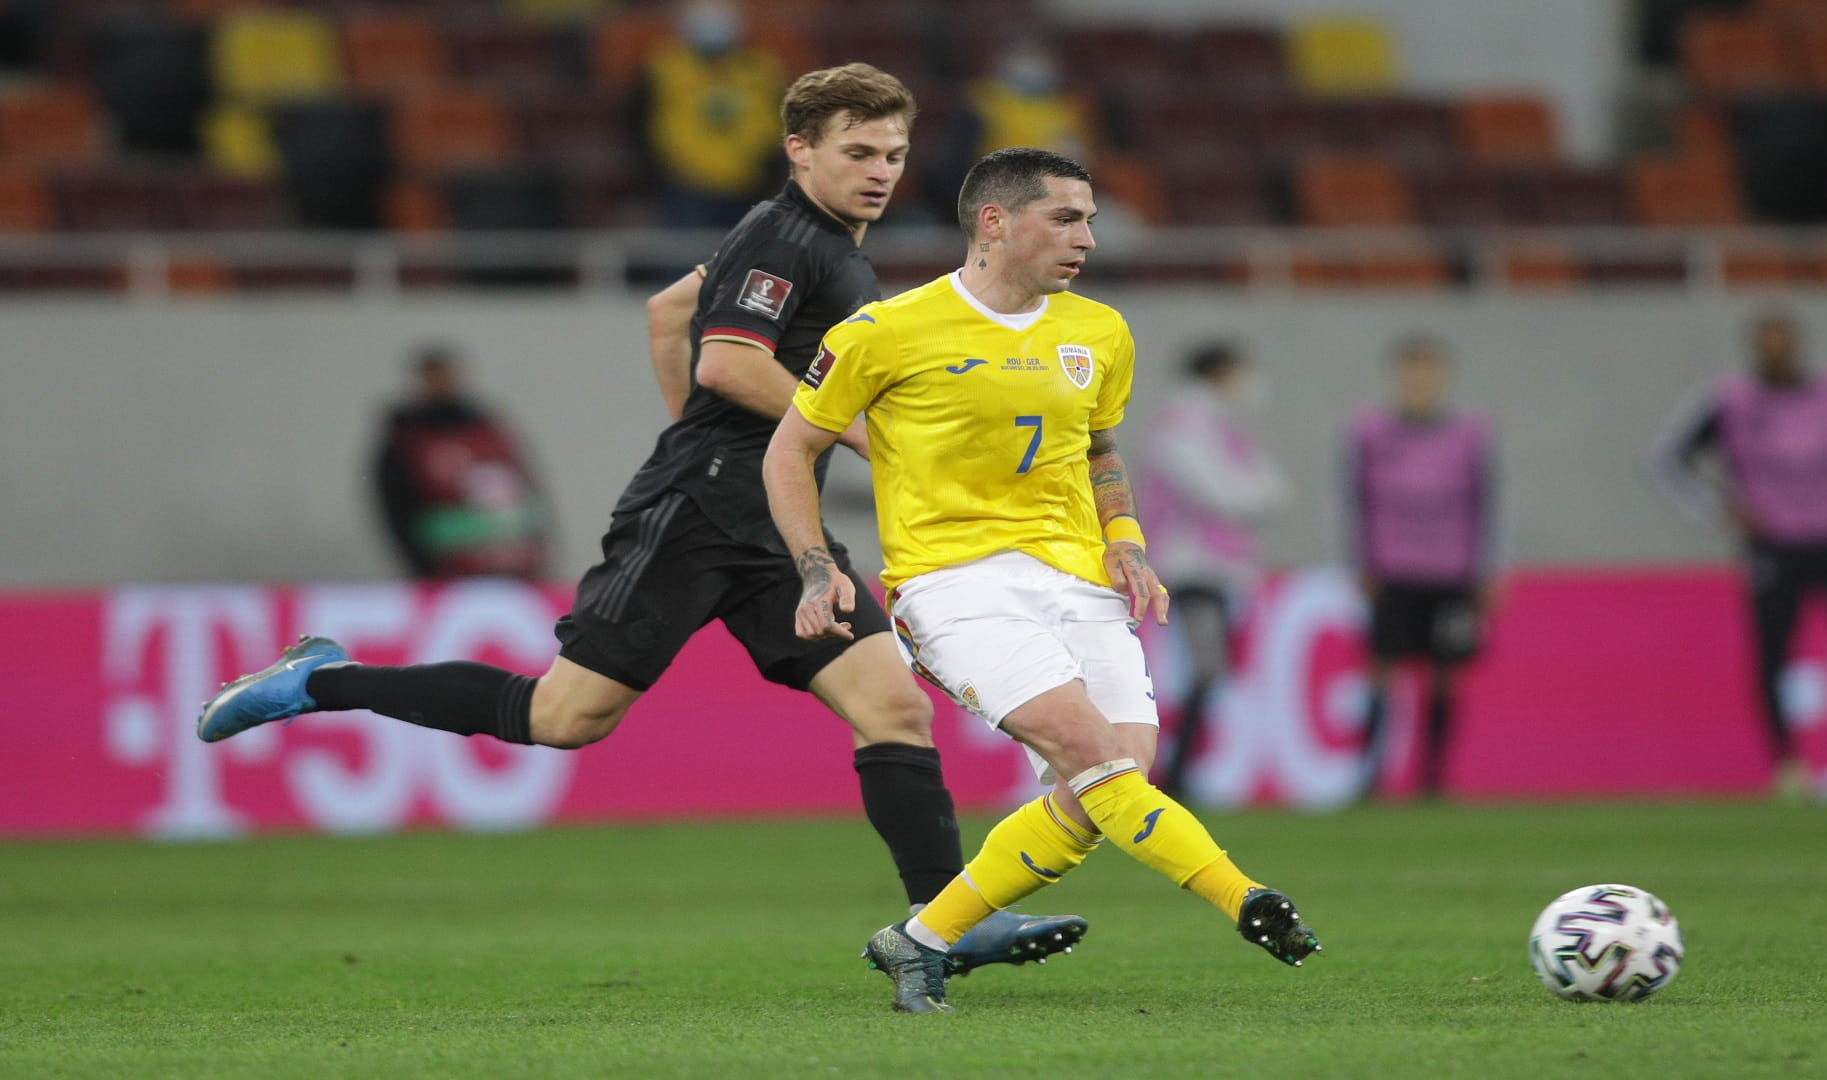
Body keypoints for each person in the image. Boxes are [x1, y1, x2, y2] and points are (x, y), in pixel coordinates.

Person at [196, 64, 1082, 974]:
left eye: (894, 153)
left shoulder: (821, 247)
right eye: (857, 151)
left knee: (891, 705)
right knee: (564, 716)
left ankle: (945, 917)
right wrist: (843, 437)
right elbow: (726, 363)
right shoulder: (790, 236)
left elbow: (670, 314)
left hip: (769, 514)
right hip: (699, 511)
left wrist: (703, 439)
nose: (881, 170)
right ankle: (323, 681)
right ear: (799, 149)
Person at [764, 146, 1320, 1014]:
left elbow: (1098, 449)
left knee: (1109, 784)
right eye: (1066, 218)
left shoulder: (1099, 332)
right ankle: (1242, 897)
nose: (1087, 238)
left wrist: (1127, 541)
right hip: (953, 584)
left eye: (1089, 219)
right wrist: (814, 568)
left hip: (1077, 576)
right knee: (1097, 760)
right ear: (995, 222)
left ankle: (918, 940)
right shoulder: (884, 332)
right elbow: (791, 448)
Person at [1654, 309, 1827, 796]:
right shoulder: (1730, 400)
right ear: (1756, 348)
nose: (1776, 351)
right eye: (1767, 343)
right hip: (1772, 544)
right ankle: (1787, 762)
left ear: (1797, 345)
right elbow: (1668, 458)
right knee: (1773, 656)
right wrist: (1720, 509)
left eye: (1783, 342)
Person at [1345, 335, 1497, 800]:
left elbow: (1490, 502)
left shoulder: (1471, 433)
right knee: (1382, 669)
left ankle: (1433, 778)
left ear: (1441, 378)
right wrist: (1359, 561)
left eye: (1428, 373)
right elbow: (1352, 500)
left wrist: (1488, 569)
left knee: (1445, 673)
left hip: (1452, 571)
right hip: (1392, 567)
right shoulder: (1368, 431)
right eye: (1412, 373)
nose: (1420, 383)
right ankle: (1370, 777)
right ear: (1398, 377)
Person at [1137, 341, 1290, 799]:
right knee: (1204, 668)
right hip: (1191, 566)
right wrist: (1254, 497)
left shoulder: (1218, 425)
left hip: (1218, 567)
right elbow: (1227, 492)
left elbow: (1267, 489)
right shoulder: (1182, 426)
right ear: (1220, 373)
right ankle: (1175, 775)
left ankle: (1182, 772)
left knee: (1209, 670)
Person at [373, 343, 552, 581]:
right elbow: (396, 504)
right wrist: (420, 563)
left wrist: (537, 545)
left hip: (513, 565)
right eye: (435, 376)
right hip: (447, 569)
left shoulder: (487, 427)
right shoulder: (406, 439)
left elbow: (524, 489)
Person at [640, 0, 786, 228]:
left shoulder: (759, 67)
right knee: (690, 254)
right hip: (687, 181)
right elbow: (645, 120)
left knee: (746, 256)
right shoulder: (666, 65)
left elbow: (774, 118)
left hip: (749, 178)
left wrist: (770, 162)